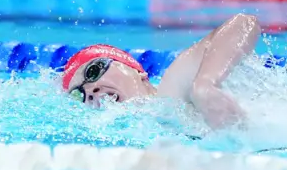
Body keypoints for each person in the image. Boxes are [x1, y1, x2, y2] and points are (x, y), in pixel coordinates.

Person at [62, 13, 261, 128]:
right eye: (79, 95)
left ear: (136, 70)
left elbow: (243, 23)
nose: (90, 90)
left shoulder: (172, 92)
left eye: (93, 70)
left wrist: (206, 85)